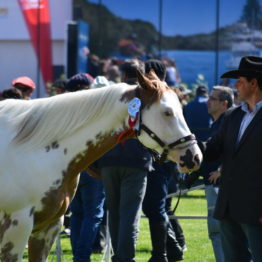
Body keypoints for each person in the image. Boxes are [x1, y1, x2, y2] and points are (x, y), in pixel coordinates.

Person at [204, 56, 262, 262]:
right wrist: (186, 147)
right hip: (229, 207)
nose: (235, 85)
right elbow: (212, 149)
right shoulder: (232, 116)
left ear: (254, 84)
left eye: (240, 81)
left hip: (257, 209)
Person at [96, 59, 152, 262]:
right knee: (130, 214)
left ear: (122, 75)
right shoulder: (147, 96)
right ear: (143, 75)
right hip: (137, 160)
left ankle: (118, 256)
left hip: (109, 159)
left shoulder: (111, 96)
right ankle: (125, 258)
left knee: (115, 212)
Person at [142, 59, 184, 262]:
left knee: (155, 207)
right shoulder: (171, 95)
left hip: (159, 160)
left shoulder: (162, 97)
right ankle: (172, 248)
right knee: (154, 207)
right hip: (163, 160)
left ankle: (164, 252)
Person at [191, 86, 234, 262]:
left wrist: (221, 170)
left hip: (222, 186)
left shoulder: (229, 123)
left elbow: (239, 150)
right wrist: (193, 175)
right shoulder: (215, 124)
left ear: (224, 104)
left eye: (213, 99)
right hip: (212, 185)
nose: (208, 101)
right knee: (216, 232)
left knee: (220, 232)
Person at [67, 73, 106, 262]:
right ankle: (81, 257)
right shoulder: (93, 109)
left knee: (78, 214)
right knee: (94, 214)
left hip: (71, 169)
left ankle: (78, 255)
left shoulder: (64, 109)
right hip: (91, 168)